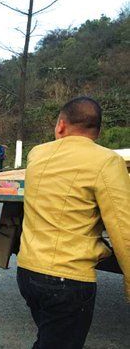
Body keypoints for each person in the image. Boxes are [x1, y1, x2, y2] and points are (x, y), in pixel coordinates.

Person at [17, 96, 130, 348]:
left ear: (60, 126)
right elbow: (124, 232)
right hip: (68, 281)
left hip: (27, 273)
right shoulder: (106, 161)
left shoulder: (37, 154)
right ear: (97, 132)